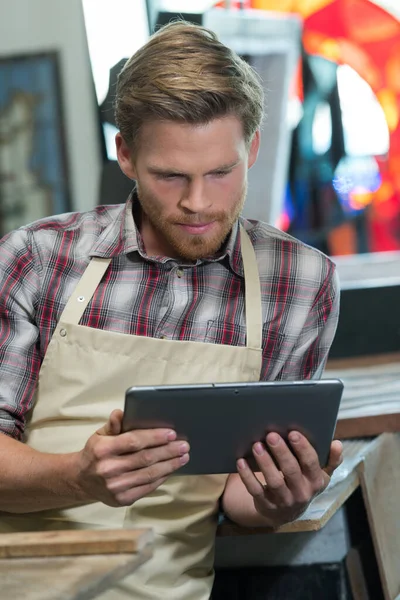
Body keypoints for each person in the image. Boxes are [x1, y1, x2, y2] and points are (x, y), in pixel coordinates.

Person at [0, 21, 342, 600]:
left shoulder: (301, 282)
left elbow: (240, 499)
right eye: (170, 176)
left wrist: (280, 497)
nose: (198, 203)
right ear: (127, 155)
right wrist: (76, 478)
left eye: (221, 171)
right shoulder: (36, 258)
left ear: (252, 147)